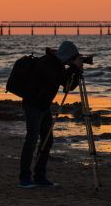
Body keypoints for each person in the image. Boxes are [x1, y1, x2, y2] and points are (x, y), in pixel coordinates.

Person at [18, 41, 83, 188]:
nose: (71, 61)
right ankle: (24, 178)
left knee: (47, 141)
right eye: (72, 58)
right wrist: (73, 67)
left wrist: (77, 73)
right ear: (67, 55)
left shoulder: (60, 65)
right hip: (33, 104)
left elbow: (68, 87)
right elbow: (58, 80)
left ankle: (40, 177)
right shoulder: (47, 62)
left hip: (44, 106)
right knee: (31, 140)